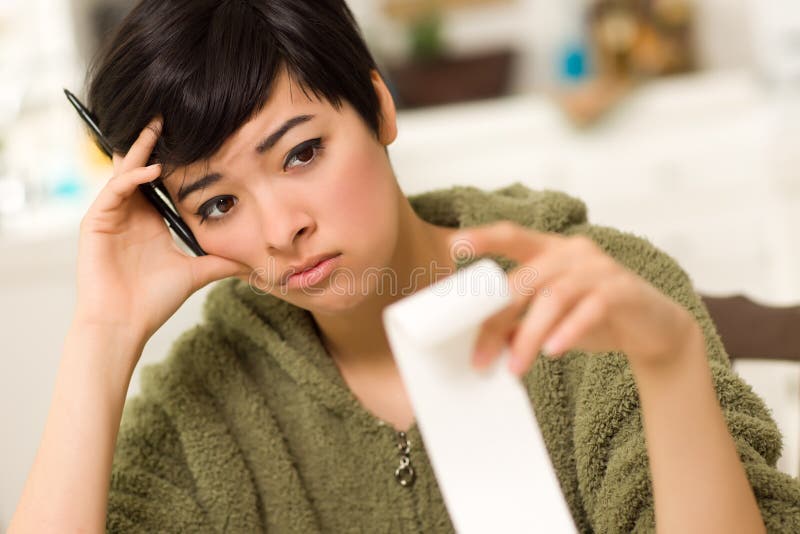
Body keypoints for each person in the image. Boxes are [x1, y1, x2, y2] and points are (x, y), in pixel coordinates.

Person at [9, 1, 800, 532]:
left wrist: (668, 364)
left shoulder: (588, 293)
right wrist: (102, 333)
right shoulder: (208, 398)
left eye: (302, 153)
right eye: (218, 205)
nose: (284, 228)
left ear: (380, 108)